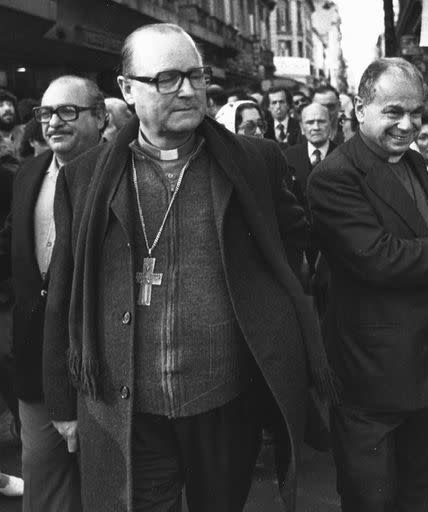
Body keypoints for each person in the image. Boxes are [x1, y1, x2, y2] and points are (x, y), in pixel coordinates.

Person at [43, 23, 336, 511]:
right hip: (130, 408)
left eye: (195, 75)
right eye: (167, 78)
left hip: (225, 400)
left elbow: (292, 238)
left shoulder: (253, 161)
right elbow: (63, 289)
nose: (187, 89)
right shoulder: (83, 178)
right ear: (127, 89)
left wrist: (268, 304)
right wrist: (60, 401)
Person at [307, 57, 428, 512]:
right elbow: (379, 258)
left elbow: (411, 230)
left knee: (417, 491)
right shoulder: (334, 176)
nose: (407, 124)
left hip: (427, 367)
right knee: (371, 498)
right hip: (372, 377)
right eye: (393, 112)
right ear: (360, 108)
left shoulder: (411, 161)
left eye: (415, 112)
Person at [1, 74, 105, 512]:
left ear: (100, 118)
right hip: (34, 363)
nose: (54, 122)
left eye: (68, 110)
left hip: (101, 366)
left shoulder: (123, 178)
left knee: (109, 490)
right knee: (43, 489)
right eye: (46, 112)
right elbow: (13, 249)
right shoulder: (28, 174)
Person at [284, 103, 335, 209]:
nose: (316, 127)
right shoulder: (288, 157)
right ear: (302, 127)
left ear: (330, 124)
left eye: (321, 121)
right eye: (310, 122)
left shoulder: (344, 155)